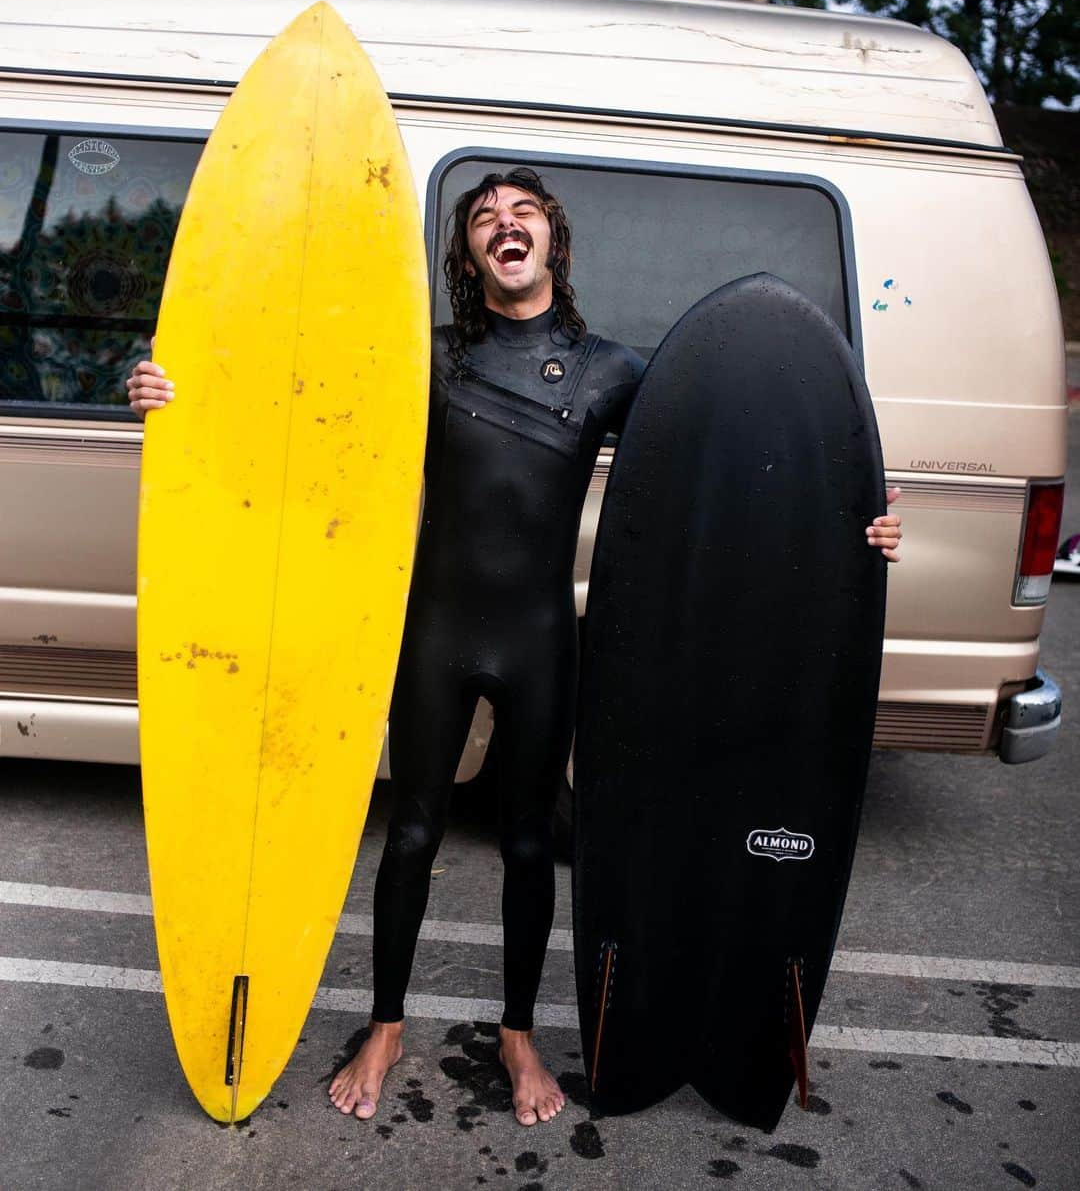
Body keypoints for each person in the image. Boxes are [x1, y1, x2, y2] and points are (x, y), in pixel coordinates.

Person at [127, 167, 903, 1128]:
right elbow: (299, 400)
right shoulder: (431, 360)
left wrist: (850, 522)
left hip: (539, 637)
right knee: (411, 833)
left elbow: (730, 451)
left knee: (533, 841)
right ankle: (385, 1024)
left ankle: (520, 1032)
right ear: (467, 256)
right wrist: (172, 389)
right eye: (484, 219)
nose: (504, 226)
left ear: (552, 242)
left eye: (522, 214)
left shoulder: (612, 372)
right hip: (438, 629)